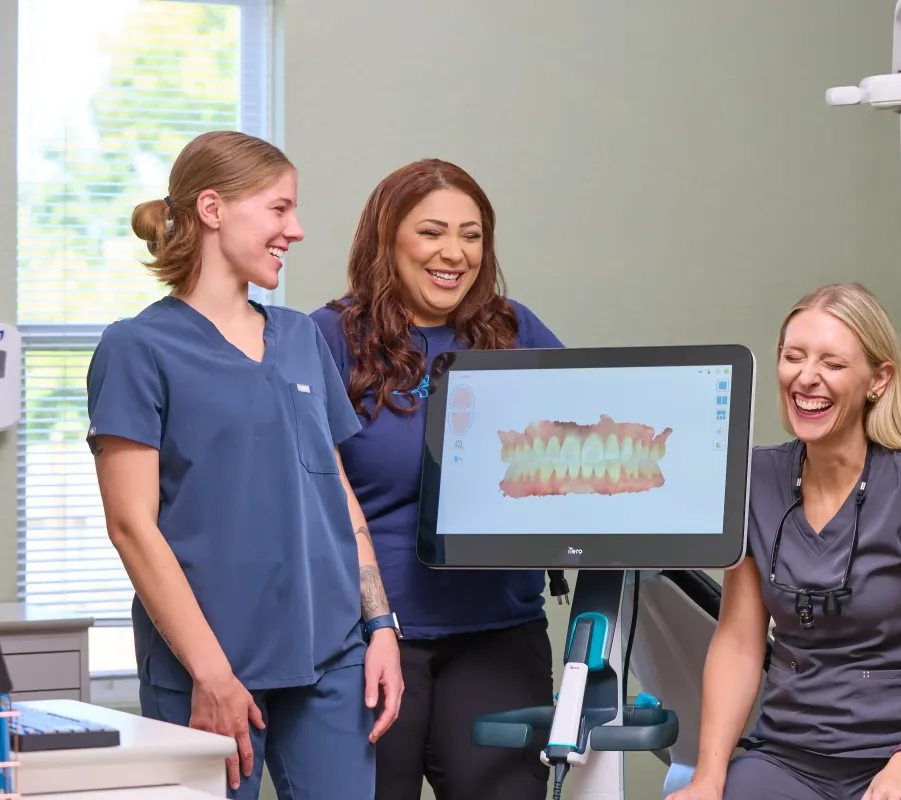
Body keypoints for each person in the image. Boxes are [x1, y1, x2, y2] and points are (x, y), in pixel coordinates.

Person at [85, 130, 403, 800]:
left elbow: (336, 491)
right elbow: (131, 526)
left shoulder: (300, 338)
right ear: (212, 209)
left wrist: (380, 626)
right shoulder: (137, 348)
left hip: (333, 657)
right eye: (279, 209)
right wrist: (211, 674)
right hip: (211, 666)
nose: (297, 229)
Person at [668, 283, 901, 800]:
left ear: (878, 380)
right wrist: (709, 776)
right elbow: (738, 644)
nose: (807, 377)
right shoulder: (756, 478)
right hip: (791, 756)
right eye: (793, 357)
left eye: (833, 363)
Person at [311, 158, 564, 800]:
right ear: (386, 238)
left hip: (498, 638)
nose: (455, 252)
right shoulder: (329, 339)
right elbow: (311, 498)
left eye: (472, 234)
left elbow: (579, 458)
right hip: (365, 643)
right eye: (431, 232)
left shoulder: (514, 332)